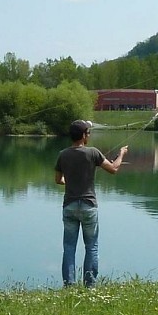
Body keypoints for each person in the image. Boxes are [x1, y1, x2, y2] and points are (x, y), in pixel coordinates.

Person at [54, 119, 128, 287]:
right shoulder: (93, 152)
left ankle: (69, 285)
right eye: (88, 133)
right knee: (91, 247)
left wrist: (71, 180)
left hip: (69, 206)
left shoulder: (62, 154)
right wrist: (121, 154)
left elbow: (59, 180)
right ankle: (90, 286)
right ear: (83, 136)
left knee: (69, 247)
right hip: (88, 206)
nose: (89, 136)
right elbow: (113, 169)